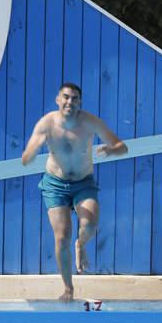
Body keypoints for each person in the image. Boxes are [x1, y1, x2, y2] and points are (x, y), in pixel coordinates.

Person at [22, 82, 128, 301]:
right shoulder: (46, 123)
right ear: (58, 99)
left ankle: (81, 245)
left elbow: (122, 147)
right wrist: (32, 151)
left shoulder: (90, 122)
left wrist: (111, 149)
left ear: (80, 102)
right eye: (66, 97)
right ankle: (68, 288)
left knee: (88, 225)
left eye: (75, 98)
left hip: (83, 182)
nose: (70, 102)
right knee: (62, 238)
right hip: (55, 184)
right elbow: (26, 156)